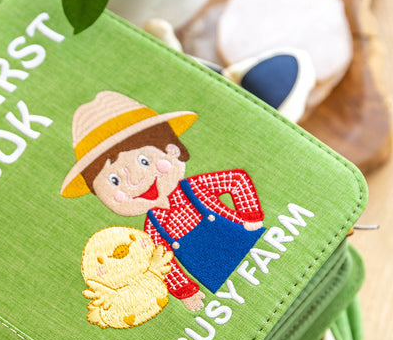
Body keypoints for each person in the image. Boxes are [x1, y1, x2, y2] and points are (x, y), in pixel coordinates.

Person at [61, 91, 265, 309]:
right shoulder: (153, 229)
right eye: (114, 180)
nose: (136, 181)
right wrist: (185, 292)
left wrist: (251, 216)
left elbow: (236, 180)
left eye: (144, 161)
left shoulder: (194, 188)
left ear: (172, 150)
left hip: (255, 245)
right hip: (218, 280)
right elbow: (165, 263)